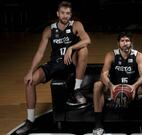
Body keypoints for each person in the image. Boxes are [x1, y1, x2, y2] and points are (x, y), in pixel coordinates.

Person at [15, 1, 91, 135]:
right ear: (58, 14)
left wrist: (71, 48)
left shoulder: (76, 25)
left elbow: (87, 40)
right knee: (30, 81)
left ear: (71, 14)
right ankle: (30, 121)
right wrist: (30, 71)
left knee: (84, 49)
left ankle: (76, 90)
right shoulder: (49, 30)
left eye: (68, 13)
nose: (65, 16)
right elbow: (40, 53)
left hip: (69, 64)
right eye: (62, 13)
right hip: (54, 64)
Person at [92, 32, 142, 135]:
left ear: (131, 43)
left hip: (132, 89)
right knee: (97, 85)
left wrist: (134, 86)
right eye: (122, 41)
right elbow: (103, 74)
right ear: (118, 43)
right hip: (114, 88)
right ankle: (98, 125)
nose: (125, 43)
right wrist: (111, 86)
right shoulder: (111, 55)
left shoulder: (139, 56)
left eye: (127, 41)